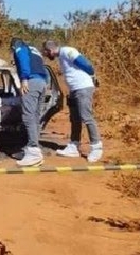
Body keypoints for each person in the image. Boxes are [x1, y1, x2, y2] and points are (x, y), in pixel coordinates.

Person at [41, 40, 103, 162]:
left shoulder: (67, 51)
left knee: (86, 116)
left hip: (82, 88)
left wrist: (92, 75)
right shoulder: (61, 56)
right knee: (75, 119)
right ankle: (74, 146)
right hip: (74, 90)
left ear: (50, 50)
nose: (47, 56)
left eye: (47, 53)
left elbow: (85, 64)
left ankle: (96, 147)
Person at [10, 38, 49, 167]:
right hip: (42, 83)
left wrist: (24, 79)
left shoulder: (20, 47)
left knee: (28, 116)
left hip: (31, 82)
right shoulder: (35, 51)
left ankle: (33, 151)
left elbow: (23, 60)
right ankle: (33, 148)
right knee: (36, 117)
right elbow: (43, 68)